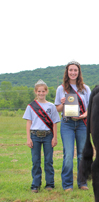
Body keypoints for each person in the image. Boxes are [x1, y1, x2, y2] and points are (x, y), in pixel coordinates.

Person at [55, 60, 91, 192]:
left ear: (79, 72)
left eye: (75, 70)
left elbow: (90, 107)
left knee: (82, 154)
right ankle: (67, 185)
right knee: (68, 155)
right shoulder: (61, 88)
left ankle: (82, 182)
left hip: (82, 124)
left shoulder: (86, 89)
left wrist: (83, 116)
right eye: (71, 70)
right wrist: (62, 103)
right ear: (67, 72)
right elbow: (58, 109)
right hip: (67, 124)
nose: (73, 72)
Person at [23, 79, 60, 193]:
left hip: (48, 136)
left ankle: (50, 184)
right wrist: (28, 138)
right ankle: (35, 184)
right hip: (35, 135)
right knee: (36, 161)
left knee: (48, 160)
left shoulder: (51, 106)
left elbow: (54, 122)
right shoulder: (31, 106)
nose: (41, 93)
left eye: (43, 91)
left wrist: (55, 137)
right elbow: (28, 122)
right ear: (36, 92)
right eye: (39, 91)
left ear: (46, 92)